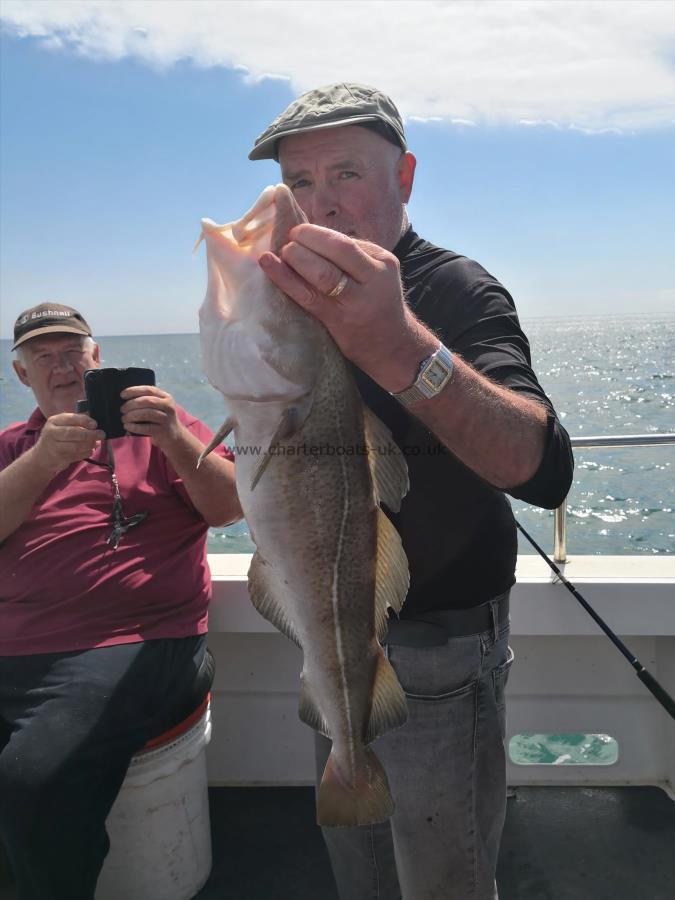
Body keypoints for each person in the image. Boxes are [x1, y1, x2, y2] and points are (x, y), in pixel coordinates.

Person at [249, 83, 574, 900]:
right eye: (299, 181)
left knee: (442, 879)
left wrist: (398, 346)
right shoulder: (287, 302)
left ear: (404, 176)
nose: (318, 204)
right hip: (327, 635)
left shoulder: (456, 290)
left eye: (345, 173)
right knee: (357, 868)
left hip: (439, 651)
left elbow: (543, 468)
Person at [0, 303, 242, 900]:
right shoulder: (14, 447)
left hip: (132, 641)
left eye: (73, 353)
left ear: (97, 358)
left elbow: (229, 508)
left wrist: (175, 438)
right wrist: (44, 459)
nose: (62, 368)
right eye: (43, 358)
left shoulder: (161, 428)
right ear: (21, 375)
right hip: (15, 643)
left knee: (35, 777)